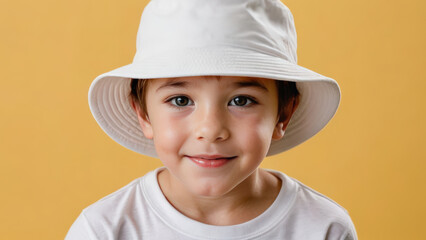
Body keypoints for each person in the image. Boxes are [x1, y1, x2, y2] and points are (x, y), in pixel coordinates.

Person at [66, 0, 357, 239]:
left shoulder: (323, 229)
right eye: (181, 101)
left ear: (283, 114)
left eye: (241, 100)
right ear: (143, 114)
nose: (210, 130)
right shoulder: (104, 230)